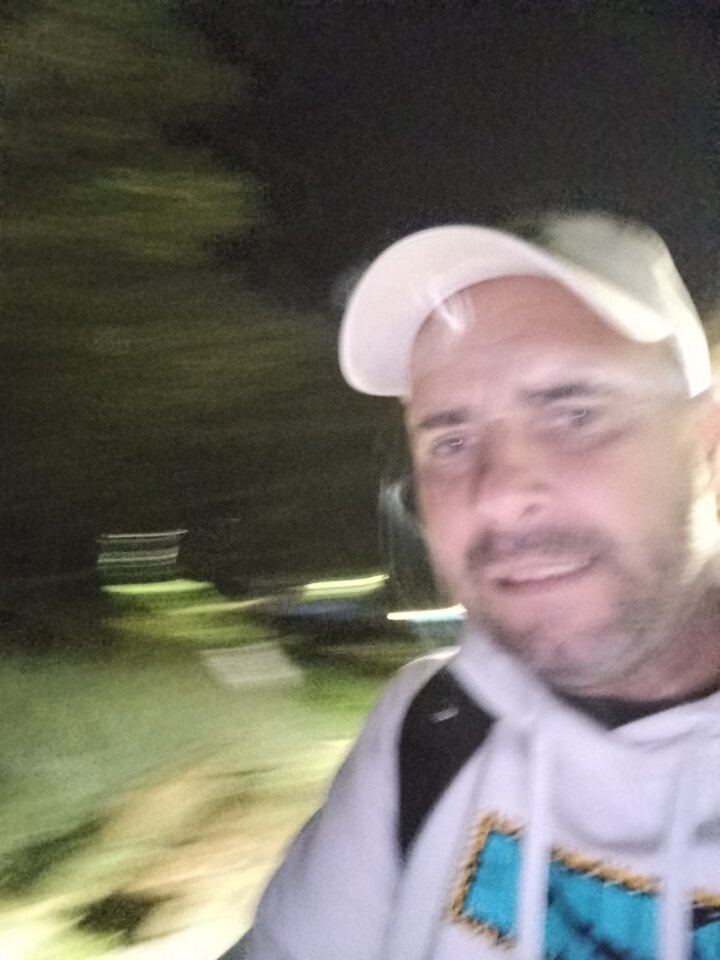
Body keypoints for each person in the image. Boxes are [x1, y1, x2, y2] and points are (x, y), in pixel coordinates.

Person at [239, 213, 720, 960]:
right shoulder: (432, 727)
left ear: (706, 444)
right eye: (452, 440)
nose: (496, 495)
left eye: (574, 413)